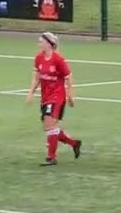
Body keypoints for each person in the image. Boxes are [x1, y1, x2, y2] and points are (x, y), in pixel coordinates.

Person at [25, 31, 81, 166]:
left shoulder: (58, 60)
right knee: (49, 127)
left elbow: (68, 77)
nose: (39, 43)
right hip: (45, 97)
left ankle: (51, 157)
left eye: (41, 41)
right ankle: (74, 143)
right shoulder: (38, 58)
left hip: (57, 97)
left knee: (49, 126)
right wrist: (31, 92)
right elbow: (36, 77)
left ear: (49, 44)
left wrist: (70, 96)